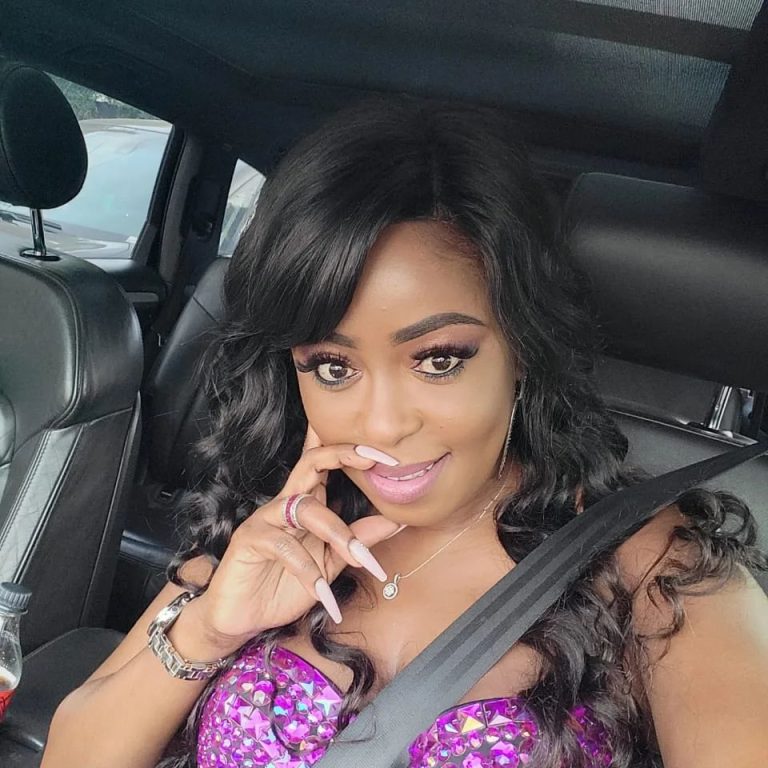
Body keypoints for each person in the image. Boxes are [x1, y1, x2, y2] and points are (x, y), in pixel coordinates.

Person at [42, 97, 768, 768]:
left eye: (439, 359)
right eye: (332, 367)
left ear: (523, 346)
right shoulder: (276, 518)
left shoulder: (656, 569)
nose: (383, 425)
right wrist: (210, 631)